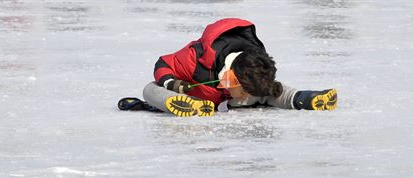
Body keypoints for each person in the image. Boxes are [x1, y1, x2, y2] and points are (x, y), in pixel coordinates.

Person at [118, 18, 337, 117]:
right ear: (232, 78)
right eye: (242, 92)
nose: (243, 99)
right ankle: (187, 105)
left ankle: (304, 98)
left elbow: (255, 88)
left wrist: (250, 91)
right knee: (150, 89)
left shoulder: (253, 62)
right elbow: (163, 63)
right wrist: (173, 83)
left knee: (267, 91)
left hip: (224, 96)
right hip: (192, 91)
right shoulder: (197, 58)